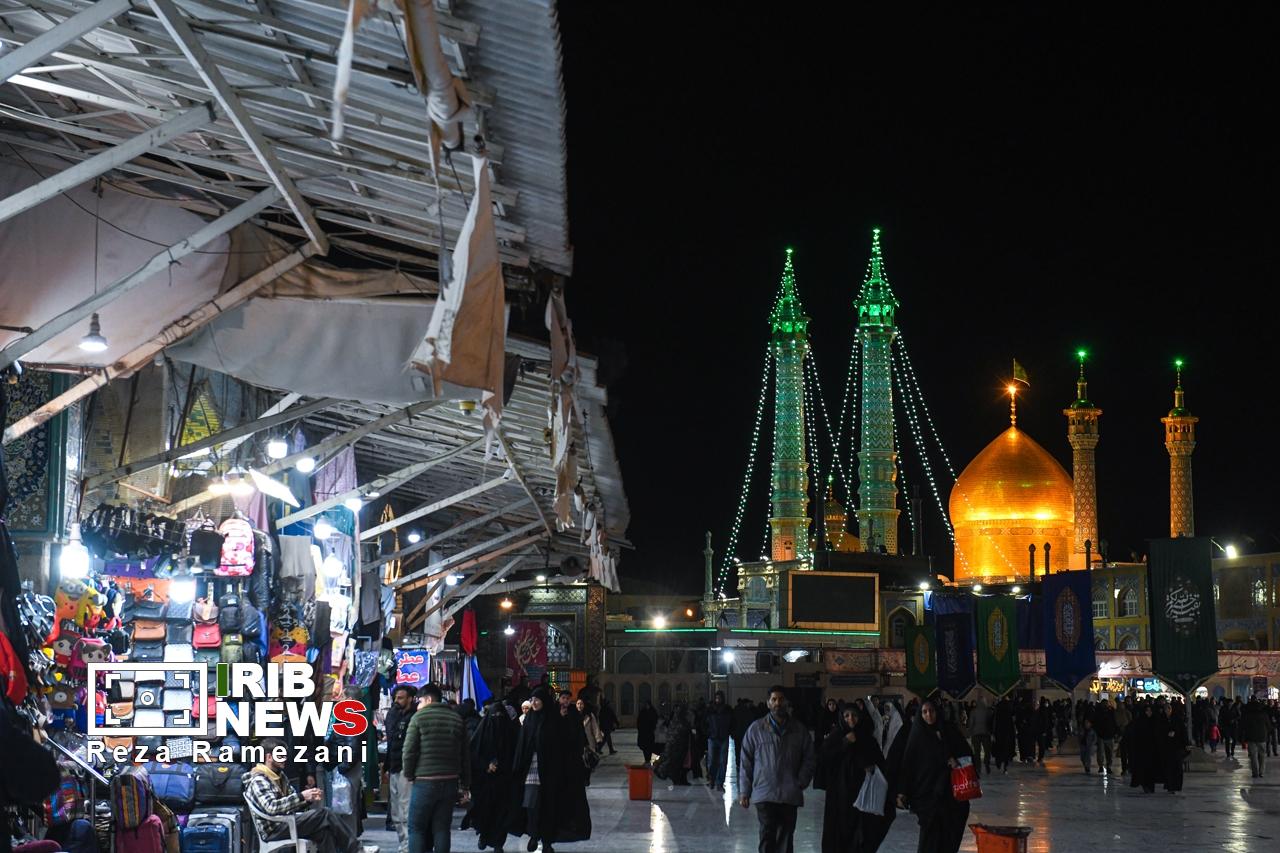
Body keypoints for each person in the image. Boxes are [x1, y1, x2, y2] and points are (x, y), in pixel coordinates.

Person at [511, 688, 592, 853]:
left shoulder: (554, 720)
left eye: (537, 699)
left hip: (551, 771)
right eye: (532, 699)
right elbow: (522, 745)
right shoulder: (529, 719)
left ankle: (547, 841)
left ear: (544, 701)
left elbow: (563, 744)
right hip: (532, 769)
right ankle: (533, 834)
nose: (534, 703)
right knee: (531, 804)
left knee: (549, 806)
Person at [244, 738, 359, 853]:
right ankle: (356, 849)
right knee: (325, 813)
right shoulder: (259, 779)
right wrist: (302, 796)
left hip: (286, 822)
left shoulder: (280, 776)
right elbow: (272, 807)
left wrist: (308, 798)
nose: (284, 759)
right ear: (269, 757)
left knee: (324, 831)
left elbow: (293, 800)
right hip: (274, 829)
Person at [738, 686, 816, 853]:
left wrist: (800, 782)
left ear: (787, 702)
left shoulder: (799, 730)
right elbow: (746, 761)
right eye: (774, 699)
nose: (777, 703)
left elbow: (809, 758)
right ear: (768, 703)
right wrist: (745, 791)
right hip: (765, 792)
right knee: (767, 835)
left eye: (781, 699)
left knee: (786, 838)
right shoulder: (756, 729)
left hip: (789, 793)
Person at [402, 683, 471, 853]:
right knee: (441, 828)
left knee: (416, 827)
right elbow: (465, 754)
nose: (418, 705)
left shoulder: (418, 718)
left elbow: (409, 751)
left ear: (428, 699)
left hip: (424, 782)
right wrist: (465, 783)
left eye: (419, 701)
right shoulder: (456, 719)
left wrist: (409, 774)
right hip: (450, 781)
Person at [897, 699, 973, 853]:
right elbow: (908, 765)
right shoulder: (917, 735)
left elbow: (966, 754)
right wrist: (902, 792)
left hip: (950, 795)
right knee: (929, 839)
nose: (928, 715)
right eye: (924, 712)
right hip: (926, 796)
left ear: (937, 711)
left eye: (931, 711)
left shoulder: (949, 731)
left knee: (948, 835)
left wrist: (955, 760)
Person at [819, 703, 892, 853]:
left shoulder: (867, 739)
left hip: (863, 794)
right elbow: (825, 761)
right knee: (840, 832)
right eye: (846, 716)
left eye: (854, 715)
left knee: (862, 833)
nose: (850, 719)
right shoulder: (835, 737)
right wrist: (845, 743)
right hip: (840, 795)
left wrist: (869, 765)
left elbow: (879, 762)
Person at [466, 699, 518, 852]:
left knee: (502, 812)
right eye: (494, 716)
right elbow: (473, 754)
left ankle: (498, 843)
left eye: (500, 716)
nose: (497, 719)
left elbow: (516, 754)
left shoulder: (511, 733)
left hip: (505, 780)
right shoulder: (481, 734)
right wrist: (486, 765)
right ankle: (483, 835)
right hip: (485, 782)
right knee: (485, 811)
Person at [325, 686, 366, 839]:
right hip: (344, 766)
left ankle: (348, 843)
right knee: (344, 806)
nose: (339, 699)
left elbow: (353, 745)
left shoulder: (351, 718)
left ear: (349, 700)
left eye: (342, 696)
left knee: (346, 807)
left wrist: (342, 767)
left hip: (346, 768)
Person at [383, 685, 416, 853]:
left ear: (410, 699)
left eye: (401, 698)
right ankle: (403, 844)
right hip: (394, 767)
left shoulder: (414, 717)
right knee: (396, 812)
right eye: (396, 697)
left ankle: (409, 846)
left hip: (406, 769)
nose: (397, 701)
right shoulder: (394, 715)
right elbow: (391, 741)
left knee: (406, 810)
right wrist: (387, 767)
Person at [1155, 700, 1188, 793]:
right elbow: (1158, 732)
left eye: (1169, 708)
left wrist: (1183, 742)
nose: (1167, 711)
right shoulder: (1161, 720)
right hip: (1166, 747)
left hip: (1177, 747)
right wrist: (1166, 734)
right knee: (1168, 767)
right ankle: (1170, 786)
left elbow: (1183, 732)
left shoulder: (1177, 719)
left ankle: (1176, 785)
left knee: (1177, 767)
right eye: (1166, 709)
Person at [656, 704, 692, 786]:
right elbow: (684, 730)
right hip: (678, 746)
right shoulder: (681, 721)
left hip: (674, 745)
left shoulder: (674, 721)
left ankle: (677, 779)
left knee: (676, 763)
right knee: (678, 763)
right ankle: (675, 778)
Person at [1128, 701, 1160, 793]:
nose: (1149, 713)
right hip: (1142, 750)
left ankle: (1150, 786)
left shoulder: (1155, 721)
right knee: (1144, 769)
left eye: (1150, 711)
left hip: (1152, 750)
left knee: (1151, 770)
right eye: (1147, 711)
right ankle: (1145, 785)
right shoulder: (1140, 722)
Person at [705, 691, 733, 792]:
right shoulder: (710, 709)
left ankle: (719, 783)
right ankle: (712, 780)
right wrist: (708, 733)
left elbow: (733, 722)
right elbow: (704, 722)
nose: (718, 700)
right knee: (712, 761)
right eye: (717, 698)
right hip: (713, 737)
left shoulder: (727, 709)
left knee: (722, 761)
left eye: (719, 698)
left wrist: (730, 732)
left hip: (723, 737)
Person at [1241, 696, 1273, 778]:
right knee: (1262, 756)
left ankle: (1255, 773)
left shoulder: (1248, 715)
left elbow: (1243, 727)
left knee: (1253, 756)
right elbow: (1269, 726)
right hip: (1262, 738)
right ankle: (1261, 772)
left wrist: (1243, 737)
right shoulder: (1264, 715)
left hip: (1251, 738)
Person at [967, 696, 992, 777]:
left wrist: (970, 732)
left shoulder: (973, 711)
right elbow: (990, 722)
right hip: (986, 733)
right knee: (987, 750)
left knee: (977, 752)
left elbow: (971, 723)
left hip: (976, 733)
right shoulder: (988, 711)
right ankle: (986, 763)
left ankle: (978, 767)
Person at [1092, 699, 1117, 775]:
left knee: (1109, 752)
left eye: (1106, 704)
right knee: (1101, 752)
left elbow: (1114, 722)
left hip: (1109, 734)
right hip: (1101, 735)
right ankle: (1101, 766)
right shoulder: (1098, 713)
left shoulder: (1111, 712)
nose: (1105, 705)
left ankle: (1108, 766)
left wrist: (1115, 732)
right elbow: (1095, 723)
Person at [991, 697, 1016, 774]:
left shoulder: (997, 711)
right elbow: (1012, 725)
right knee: (1006, 750)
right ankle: (1005, 766)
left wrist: (993, 732)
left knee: (999, 748)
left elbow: (993, 722)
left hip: (999, 733)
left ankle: (998, 762)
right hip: (1007, 734)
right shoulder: (1009, 712)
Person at [636, 700, 658, 765]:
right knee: (645, 747)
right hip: (644, 733)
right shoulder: (643, 712)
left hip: (650, 733)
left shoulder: (652, 711)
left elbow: (655, 721)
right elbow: (639, 721)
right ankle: (647, 759)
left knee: (650, 747)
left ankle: (649, 759)